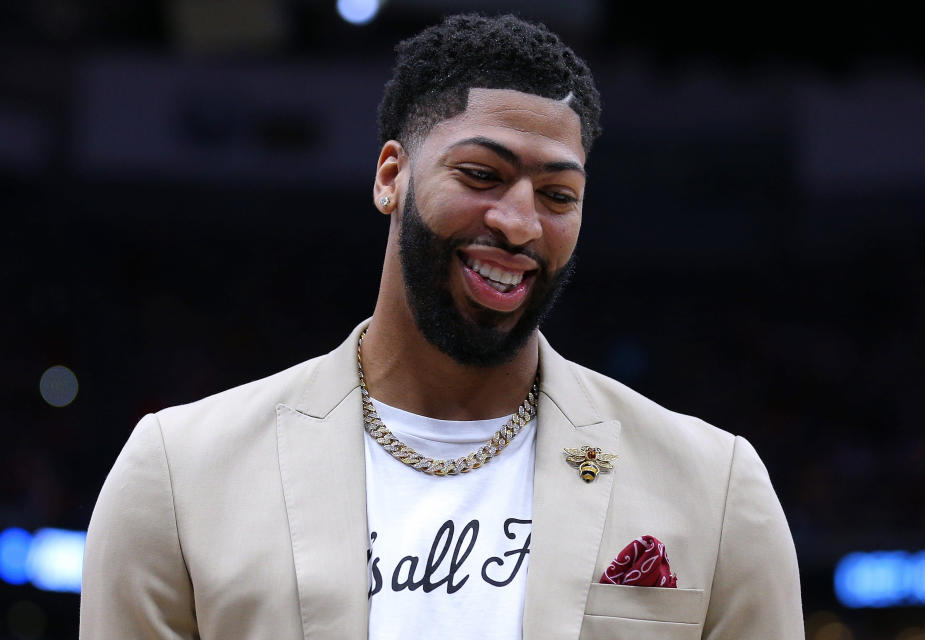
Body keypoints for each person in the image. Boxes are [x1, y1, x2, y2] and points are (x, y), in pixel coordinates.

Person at [80, 13, 803, 640]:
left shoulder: (713, 489)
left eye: (557, 193)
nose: (519, 223)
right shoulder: (178, 475)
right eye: (482, 176)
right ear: (391, 175)